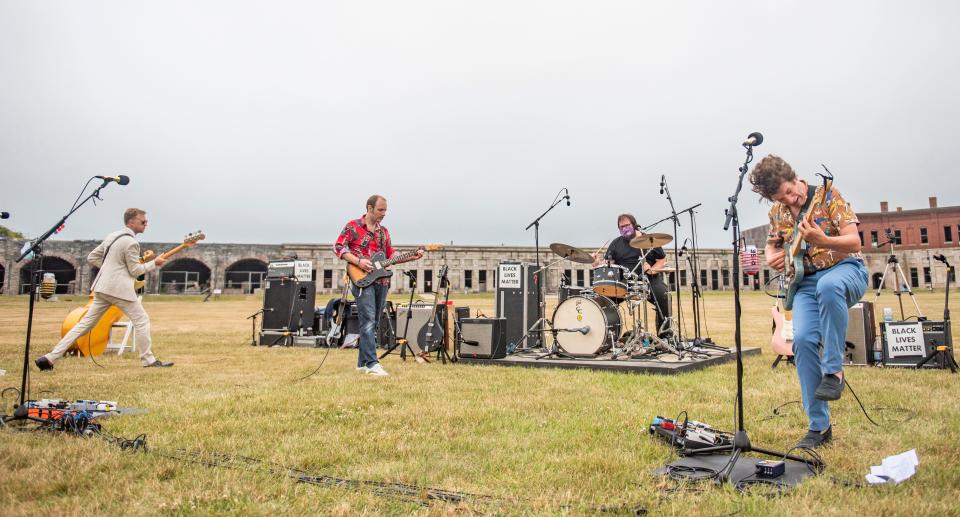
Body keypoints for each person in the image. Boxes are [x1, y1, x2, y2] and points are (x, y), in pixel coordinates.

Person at [750, 155, 867, 449]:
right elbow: (774, 242)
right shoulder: (778, 212)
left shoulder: (828, 196)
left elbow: (854, 242)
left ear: (793, 176)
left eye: (791, 190)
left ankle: (834, 371)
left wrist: (823, 240)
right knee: (801, 342)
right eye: (782, 197)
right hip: (805, 281)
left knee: (829, 286)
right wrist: (771, 256)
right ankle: (819, 427)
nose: (791, 198)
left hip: (846, 270)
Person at [35, 208, 174, 370]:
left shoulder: (112, 236)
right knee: (142, 320)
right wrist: (154, 264)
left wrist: (111, 270)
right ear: (131, 222)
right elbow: (135, 271)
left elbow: (92, 257)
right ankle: (148, 360)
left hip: (102, 287)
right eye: (143, 221)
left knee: (84, 324)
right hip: (119, 290)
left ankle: (50, 358)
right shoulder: (132, 242)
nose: (146, 224)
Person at [334, 195, 423, 376]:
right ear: (369, 208)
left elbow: (390, 256)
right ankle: (372, 364)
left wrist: (410, 256)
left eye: (385, 210)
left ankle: (362, 363)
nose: (383, 214)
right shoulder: (353, 226)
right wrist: (359, 261)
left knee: (373, 322)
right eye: (380, 210)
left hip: (381, 281)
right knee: (367, 321)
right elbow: (339, 248)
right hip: (362, 281)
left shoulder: (384, 232)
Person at [592, 213, 672, 337]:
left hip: (649, 280)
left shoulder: (650, 240)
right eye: (621, 227)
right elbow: (608, 264)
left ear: (634, 225)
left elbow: (661, 260)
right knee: (604, 301)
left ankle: (665, 336)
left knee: (665, 296)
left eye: (627, 225)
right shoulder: (616, 243)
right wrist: (596, 262)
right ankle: (609, 338)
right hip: (624, 282)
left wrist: (652, 270)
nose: (624, 229)